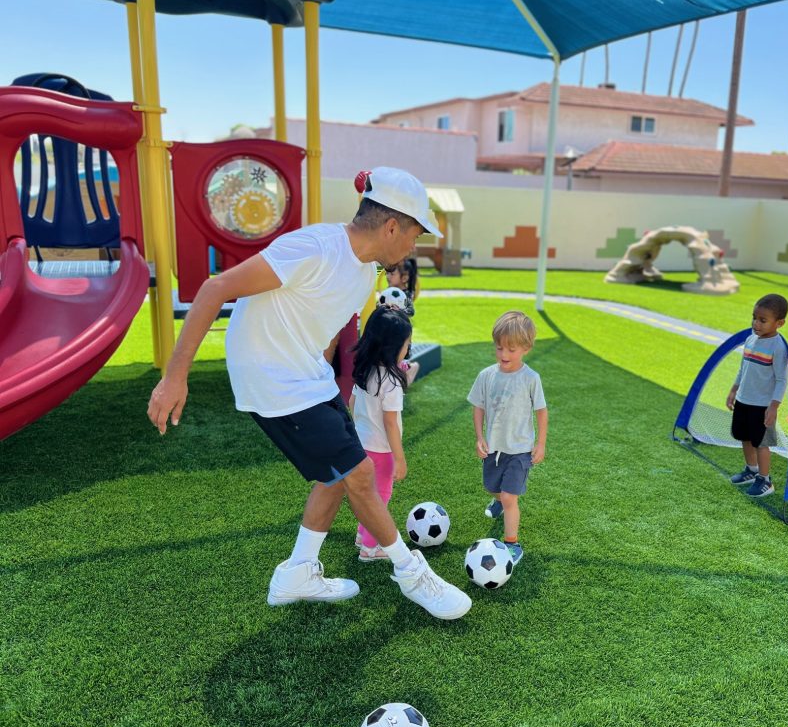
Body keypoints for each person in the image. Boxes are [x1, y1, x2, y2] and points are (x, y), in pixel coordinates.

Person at [146, 166, 471, 620]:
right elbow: (215, 287)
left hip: (306, 375)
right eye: (416, 234)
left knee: (336, 475)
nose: (416, 246)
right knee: (357, 474)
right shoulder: (313, 247)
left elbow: (317, 322)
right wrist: (174, 376)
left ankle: (297, 573)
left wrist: (333, 380)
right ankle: (411, 574)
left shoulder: (364, 272)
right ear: (393, 226)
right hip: (273, 378)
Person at [467, 311, 548, 565]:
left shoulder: (531, 379)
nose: (504, 354)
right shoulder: (486, 375)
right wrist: (479, 436)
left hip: (520, 451)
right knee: (494, 489)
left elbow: (541, 412)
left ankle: (512, 544)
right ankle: (499, 500)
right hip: (493, 448)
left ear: (526, 348)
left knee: (510, 496)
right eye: (499, 347)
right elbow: (478, 406)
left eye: (511, 349)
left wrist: (541, 442)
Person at [349, 306, 411, 562]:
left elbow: (352, 402)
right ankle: (371, 548)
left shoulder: (366, 371)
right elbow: (390, 423)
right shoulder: (392, 382)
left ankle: (363, 534)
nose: (407, 348)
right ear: (393, 346)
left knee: (366, 494)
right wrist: (400, 457)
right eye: (406, 344)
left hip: (361, 445)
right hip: (381, 450)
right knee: (380, 496)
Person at [725, 293, 788, 498]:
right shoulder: (751, 339)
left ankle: (765, 479)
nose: (756, 323)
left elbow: (781, 380)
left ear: (779, 323)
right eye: (754, 317)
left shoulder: (778, 347)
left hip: (762, 406)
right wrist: (734, 390)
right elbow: (743, 367)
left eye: (763, 320)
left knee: (761, 443)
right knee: (745, 437)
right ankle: (751, 471)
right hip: (744, 400)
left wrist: (774, 406)